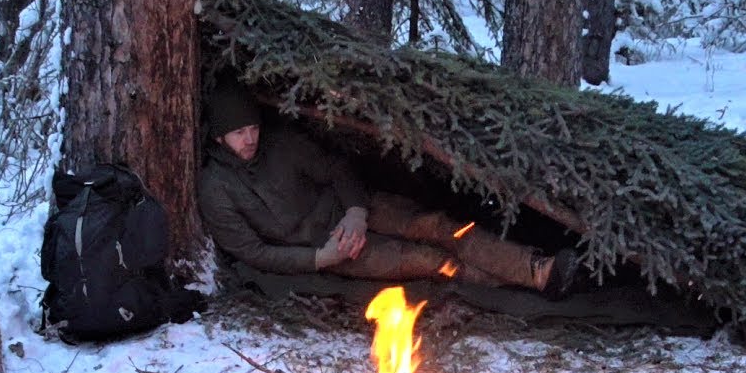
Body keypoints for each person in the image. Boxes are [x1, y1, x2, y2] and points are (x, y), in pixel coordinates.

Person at [198, 81, 580, 298]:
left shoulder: (280, 145)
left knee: (440, 227)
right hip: (331, 250)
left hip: (355, 208)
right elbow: (254, 252)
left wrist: (355, 212)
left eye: (252, 129)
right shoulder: (217, 189)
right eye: (238, 133)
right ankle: (519, 282)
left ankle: (537, 269)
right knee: (430, 261)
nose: (249, 140)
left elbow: (336, 168)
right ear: (218, 137)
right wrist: (320, 259)